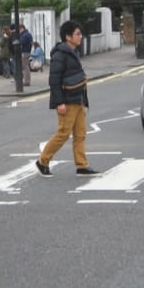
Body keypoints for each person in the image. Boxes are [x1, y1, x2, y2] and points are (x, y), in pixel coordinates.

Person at [36, 20, 100, 178]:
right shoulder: (60, 55)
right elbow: (54, 80)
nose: (80, 37)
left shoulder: (73, 52)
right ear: (68, 37)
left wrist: (83, 100)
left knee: (80, 134)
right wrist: (59, 103)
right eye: (77, 34)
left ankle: (82, 165)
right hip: (67, 101)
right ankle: (43, 161)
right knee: (63, 133)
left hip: (77, 99)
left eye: (80, 33)